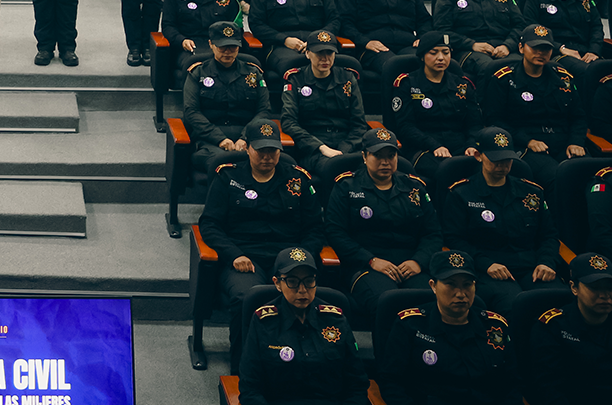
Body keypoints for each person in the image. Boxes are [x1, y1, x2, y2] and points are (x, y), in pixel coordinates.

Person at [377, 250, 524, 405]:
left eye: (467, 284)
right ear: (433, 286)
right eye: (451, 284)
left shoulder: (494, 327)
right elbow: (391, 382)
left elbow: (511, 385)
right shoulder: (411, 325)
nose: (460, 293)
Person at [200, 120, 323, 364]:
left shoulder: (298, 180)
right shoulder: (228, 177)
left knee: (304, 294)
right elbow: (210, 224)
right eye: (261, 150)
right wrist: (234, 255)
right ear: (248, 149)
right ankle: (243, 366)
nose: (267, 157)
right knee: (247, 297)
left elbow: (315, 229)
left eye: (273, 151)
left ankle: (298, 362)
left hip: (288, 259)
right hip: (245, 258)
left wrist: (299, 259)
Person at [238, 247, 368, 405]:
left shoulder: (335, 320)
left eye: (309, 280)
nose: (302, 290)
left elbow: (357, 384)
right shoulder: (264, 322)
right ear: (277, 283)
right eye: (292, 281)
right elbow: (250, 390)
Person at [325, 128, 442, 319]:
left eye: (391, 155)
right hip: (366, 265)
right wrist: (370, 260)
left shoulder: (414, 187)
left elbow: (433, 233)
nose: (385, 161)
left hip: (410, 264)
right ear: (364, 156)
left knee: (431, 300)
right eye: (378, 156)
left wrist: (418, 261)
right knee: (388, 302)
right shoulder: (346, 186)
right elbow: (335, 232)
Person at [442, 127, 560, 315]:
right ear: (479, 156)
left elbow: (549, 235)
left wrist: (547, 262)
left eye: (507, 160)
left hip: (532, 265)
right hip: (490, 269)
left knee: (558, 303)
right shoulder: (461, 193)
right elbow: (454, 239)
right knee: (513, 306)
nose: (502, 165)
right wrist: (485, 264)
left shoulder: (531, 192)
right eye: (496, 159)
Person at [478, 23, 586, 189]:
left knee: (592, 176)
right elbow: (494, 120)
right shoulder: (504, 79)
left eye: (546, 49)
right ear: (521, 48)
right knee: (556, 177)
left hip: (564, 141)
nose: (540, 53)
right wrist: (528, 140)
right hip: (525, 144)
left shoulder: (563, 78)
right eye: (535, 48)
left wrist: (576, 142)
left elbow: (578, 116)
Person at [525, 251, 612, 405]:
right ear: (574, 288)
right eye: (595, 287)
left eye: (610, 287)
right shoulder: (552, 327)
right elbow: (551, 397)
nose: (605, 295)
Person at [181, 21, 271, 176]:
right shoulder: (198, 73)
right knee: (221, 163)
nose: (228, 51)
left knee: (267, 161)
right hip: (209, 140)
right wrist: (220, 139)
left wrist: (245, 138)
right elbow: (191, 112)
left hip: (248, 138)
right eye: (222, 47)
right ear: (211, 44)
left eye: (233, 46)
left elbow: (264, 110)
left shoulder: (253, 73)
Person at [390, 31, 483, 179]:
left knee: (482, 169)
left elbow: (474, 124)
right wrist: (434, 145)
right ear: (422, 56)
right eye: (434, 53)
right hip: (422, 148)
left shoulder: (463, 85)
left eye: (445, 53)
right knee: (445, 172)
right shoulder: (407, 84)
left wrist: (471, 145)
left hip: (460, 147)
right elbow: (405, 126)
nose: (441, 58)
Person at [281, 31, 371, 179]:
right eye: (319, 53)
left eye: (330, 53)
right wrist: (321, 148)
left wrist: (344, 149)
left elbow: (359, 123)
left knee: (370, 167)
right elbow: (288, 122)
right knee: (334, 168)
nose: (325, 59)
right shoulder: (295, 79)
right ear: (308, 54)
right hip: (313, 147)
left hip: (346, 144)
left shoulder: (347, 78)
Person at [432, 0, 524, 84]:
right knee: (490, 68)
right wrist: (472, 44)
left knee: (525, 65)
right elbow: (441, 31)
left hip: (503, 47)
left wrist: (508, 45)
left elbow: (520, 25)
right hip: (467, 50)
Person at [519, 0, 603, 84]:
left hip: (587, 52)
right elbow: (531, 31)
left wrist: (594, 51)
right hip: (557, 54)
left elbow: (596, 27)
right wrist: (561, 48)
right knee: (587, 72)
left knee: (604, 71)